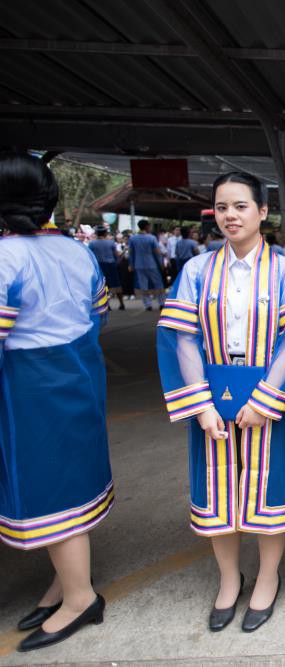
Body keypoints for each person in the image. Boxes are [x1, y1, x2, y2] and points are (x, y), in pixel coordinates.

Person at [157, 172, 285, 632]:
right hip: (211, 398)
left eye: (240, 206)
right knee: (216, 490)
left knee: (270, 488)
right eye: (221, 207)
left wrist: (266, 399)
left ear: (263, 211)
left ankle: (267, 576)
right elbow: (182, 337)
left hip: (267, 398)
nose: (230, 216)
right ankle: (228, 578)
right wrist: (200, 405)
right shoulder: (197, 270)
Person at [0, 154, 113, 652]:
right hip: (81, 371)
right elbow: (100, 314)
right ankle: (64, 584)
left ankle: (80, 597)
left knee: (47, 489)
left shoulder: (6, 256)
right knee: (74, 480)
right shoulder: (76, 251)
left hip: (30, 383)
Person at [128, 219, 166, 311]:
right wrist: (161, 263)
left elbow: (131, 253)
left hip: (139, 264)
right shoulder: (152, 238)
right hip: (151, 264)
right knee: (158, 283)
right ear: (147, 227)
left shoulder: (133, 238)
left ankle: (147, 304)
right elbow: (157, 252)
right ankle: (161, 302)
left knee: (143, 285)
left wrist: (131, 264)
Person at [90, 227, 125, 310]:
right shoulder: (111, 243)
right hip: (111, 265)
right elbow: (116, 254)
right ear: (105, 233)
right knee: (116, 284)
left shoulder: (92, 243)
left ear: (96, 233)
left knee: (102, 286)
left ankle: (106, 305)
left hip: (99, 266)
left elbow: (90, 255)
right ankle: (121, 303)